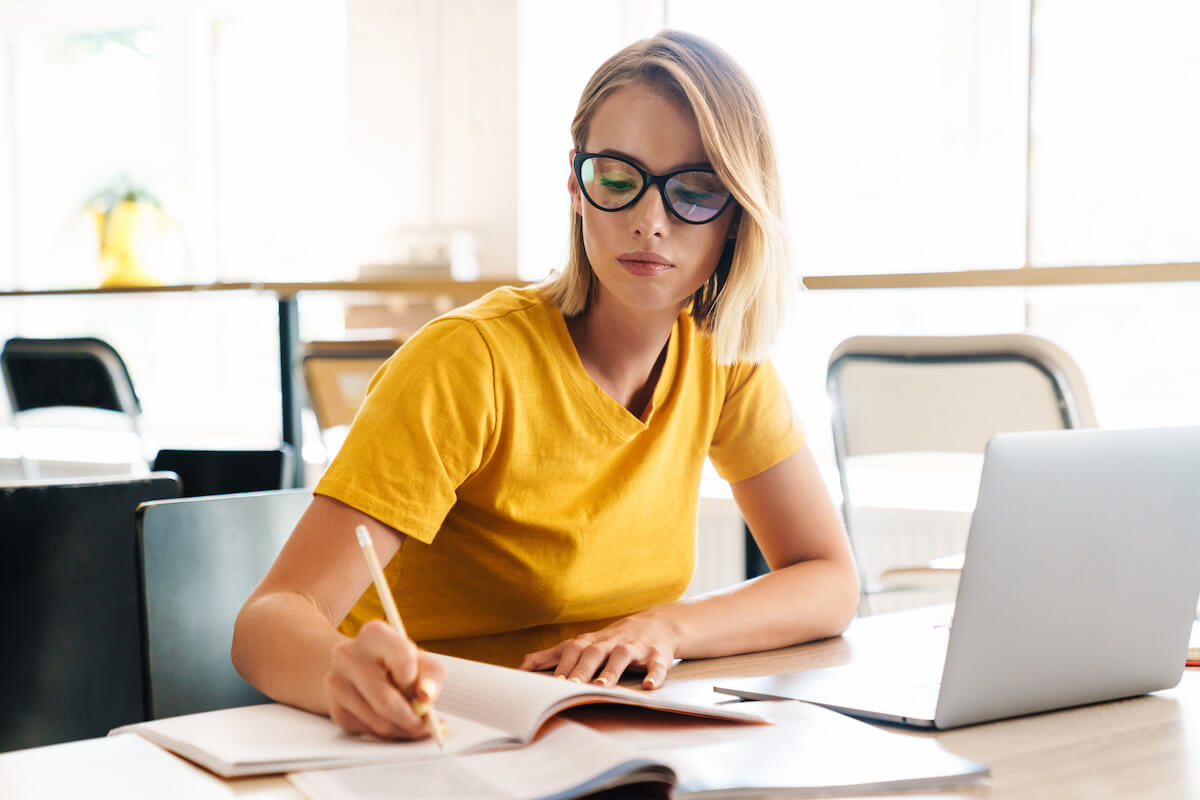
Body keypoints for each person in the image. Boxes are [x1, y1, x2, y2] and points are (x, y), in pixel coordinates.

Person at [232, 29, 859, 742]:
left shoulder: (722, 360)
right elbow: (267, 621)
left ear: (737, 215)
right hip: (427, 743)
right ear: (576, 185)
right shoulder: (470, 363)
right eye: (618, 180)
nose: (649, 222)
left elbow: (829, 578)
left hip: (597, 737)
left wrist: (668, 627)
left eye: (694, 190)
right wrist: (340, 672)